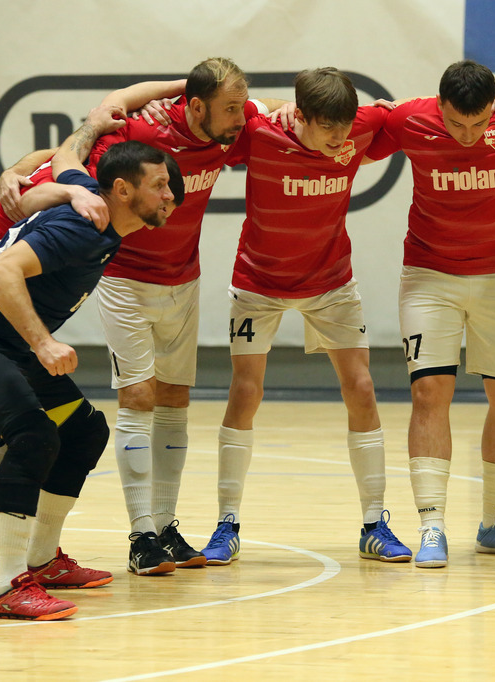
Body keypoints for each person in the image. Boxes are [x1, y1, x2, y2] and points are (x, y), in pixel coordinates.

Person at [0, 80, 187, 585]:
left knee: (84, 431)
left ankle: (41, 560)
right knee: (32, 435)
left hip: (5, 345)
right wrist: (44, 343)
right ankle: (6, 580)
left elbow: (67, 155)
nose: (170, 195)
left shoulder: (92, 200)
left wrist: (75, 163)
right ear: (123, 190)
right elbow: (1, 271)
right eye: (159, 185)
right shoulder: (81, 228)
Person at [198, 67, 410, 565]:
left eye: (345, 127)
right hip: (258, 284)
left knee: (362, 388)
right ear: (300, 117)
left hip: (331, 283)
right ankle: (226, 524)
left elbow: (422, 113)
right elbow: (210, 123)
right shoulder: (258, 133)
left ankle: (374, 524)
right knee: (245, 393)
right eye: (327, 128)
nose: (339, 139)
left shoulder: (360, 128)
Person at [85, 58, 288, 575]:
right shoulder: (141, 132)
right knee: (137, 395)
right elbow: (77, 149)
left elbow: (276, 112)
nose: (240, 119)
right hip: (125, 280)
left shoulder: (227, 132)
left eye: (241, 108)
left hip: (184, 280)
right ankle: (140, 537)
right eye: (230, 109)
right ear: (196, 106)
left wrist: (288, 111)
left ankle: (165, 526)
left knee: (175, 397)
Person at [363, 60, 495, 568]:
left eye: (479, 124)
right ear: (439, 104)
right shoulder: (409, 118)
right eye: (456, 123)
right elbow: (346, 139)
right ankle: (432, 527)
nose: (468, 136)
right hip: (428, 276)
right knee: (429, 392)